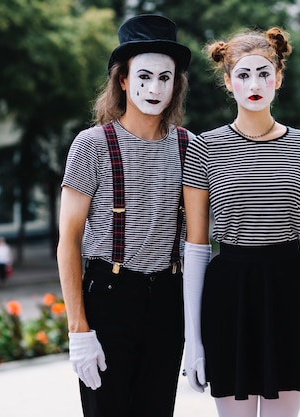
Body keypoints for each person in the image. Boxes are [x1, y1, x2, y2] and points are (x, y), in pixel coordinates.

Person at [181, 27, 300, 417]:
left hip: (290, 293)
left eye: (263, 73)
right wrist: (193, 339)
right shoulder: (204, 147)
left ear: (278, 77)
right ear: (228, 82)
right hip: (228, 296)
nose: (254, 83)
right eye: (243, 74)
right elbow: (196, 247)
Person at [56, 14, 193, 417]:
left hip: (169, 301)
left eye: (165, 78)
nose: (154, 88)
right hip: (109, 300)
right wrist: (79, 329)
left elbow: (202, 240)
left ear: (176, 84)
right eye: (144, 76)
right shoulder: (91, 146)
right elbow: (68, 241)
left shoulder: (190, 147)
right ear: (122, 80)